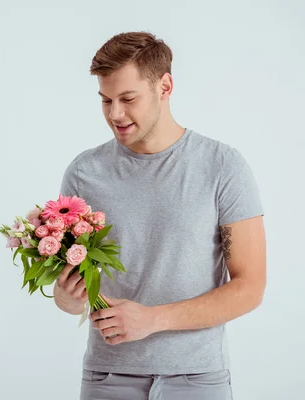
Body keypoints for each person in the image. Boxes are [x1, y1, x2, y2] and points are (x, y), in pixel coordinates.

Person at [52, 31, 266, 400]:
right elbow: (69, 291)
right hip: (107, 378)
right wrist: (67, 297)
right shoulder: (84, 172)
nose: (115, 113)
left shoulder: (222, 167)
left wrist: (153, 319)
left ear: (165, 86)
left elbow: (250, 287)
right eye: (105, 100)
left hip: (197, 380)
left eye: (128, 99)